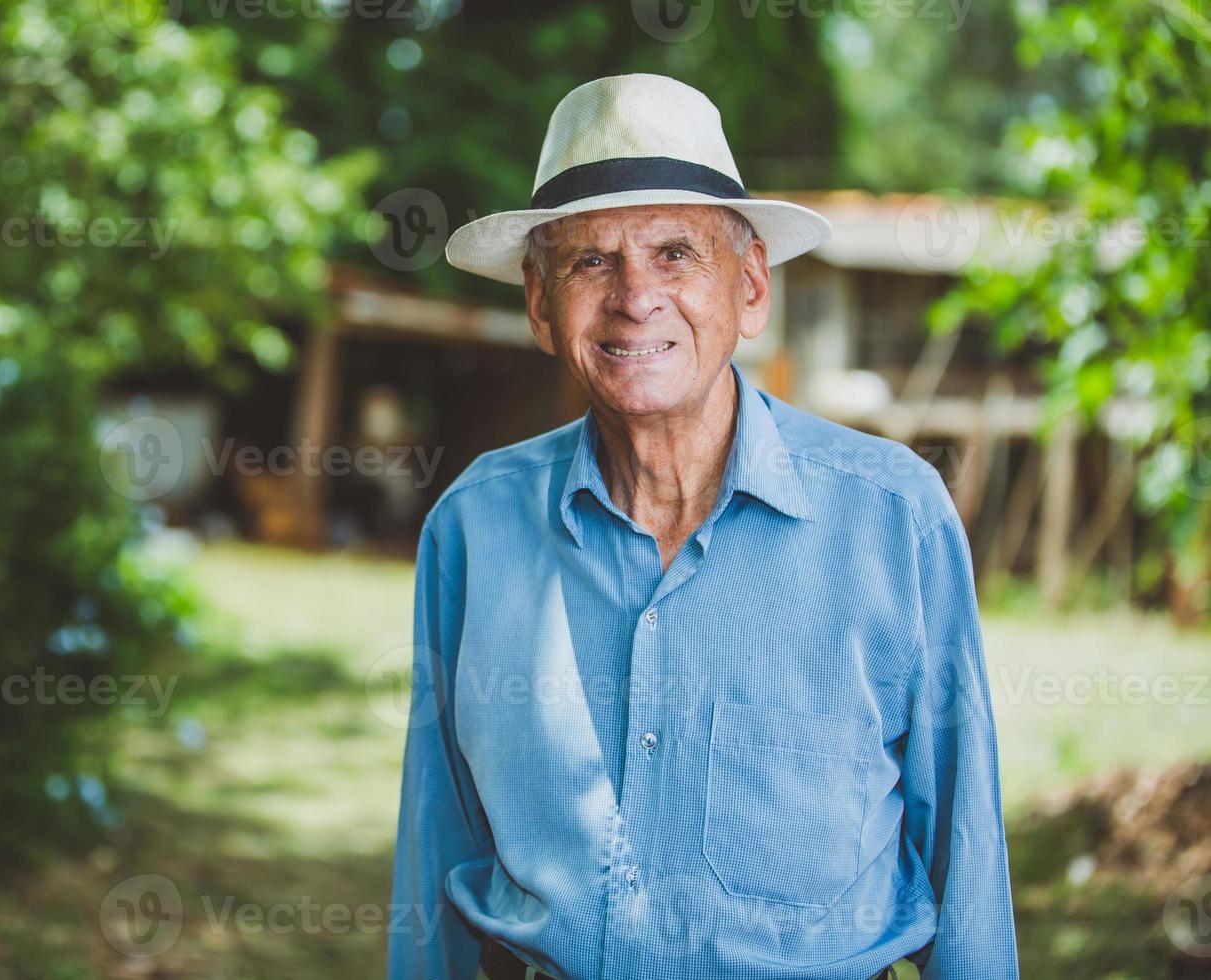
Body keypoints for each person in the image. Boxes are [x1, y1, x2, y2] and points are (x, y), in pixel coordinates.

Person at [387, 73, 1017, 980]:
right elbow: (435, 848)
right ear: (539, 304)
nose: (635, 297)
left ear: (750, 287)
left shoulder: (894, 516)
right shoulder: (475, 530)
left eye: (676, 253)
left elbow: (968, 860)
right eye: (590, 261)